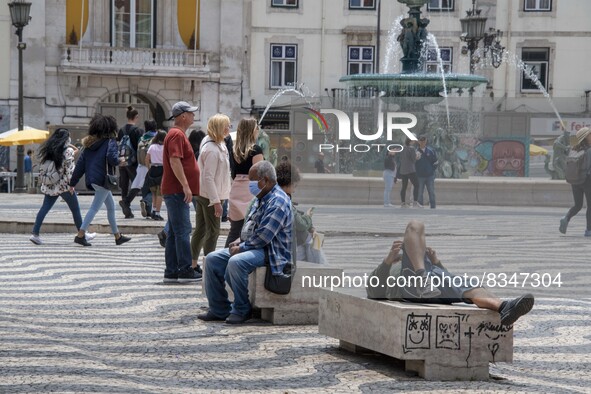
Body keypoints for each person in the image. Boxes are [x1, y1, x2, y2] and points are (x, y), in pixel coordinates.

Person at [367, 220, 535, 328]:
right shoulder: (395, 267)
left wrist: (436, 262)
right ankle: (421, 277)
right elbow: (372, 289)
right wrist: (388, 261)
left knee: (467, 287)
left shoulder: (427, 264)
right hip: (410, 288)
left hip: (432, 285)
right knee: (415, 225)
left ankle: (504, 307)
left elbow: (447, 286)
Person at [198, 161, 292, 324]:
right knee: (212, 259)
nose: (251, 185)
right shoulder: (261, 197)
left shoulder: (278, 201)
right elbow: (251, 226)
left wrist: (241, 247)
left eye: (253, 180)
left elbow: (264, 236)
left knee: (236, 262)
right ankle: (219, 309)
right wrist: (238, 241)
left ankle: (242, 309)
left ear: (266, 179)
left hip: (270, 251)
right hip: (254, 246)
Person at [69, 114, 131, 247]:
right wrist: (121, 161)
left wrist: (72, 183)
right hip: (103, 180)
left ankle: (117, 236)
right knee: (94, 208)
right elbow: (112, 158)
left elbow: (80, 166)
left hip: (94, 180)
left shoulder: (89, 146)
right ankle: (80, 235)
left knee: (111, 207)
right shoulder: (110, 142)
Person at [29, 128, 95, 245]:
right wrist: (71, 185)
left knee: (44, 208)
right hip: (64, 186)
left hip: (51, 185)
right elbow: (70, 171)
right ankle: (83, 234)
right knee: (75, 210)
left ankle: (35, 234)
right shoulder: (67, 151)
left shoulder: (50, 150)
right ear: (66, 139)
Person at [161, 101, 201, 283]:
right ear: (183, 116)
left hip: (174, 190)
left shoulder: (176, 134)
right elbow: (175, 160)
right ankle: (185, 269)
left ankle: (171, 270)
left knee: (174, 232)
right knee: (183, 231)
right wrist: (186, 185)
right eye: (191, 113)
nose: (193, 116)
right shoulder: (177, 135)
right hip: (177, 191)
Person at [191, 114, 232, 271]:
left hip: (204, 193)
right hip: (210, 196)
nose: (228, 129)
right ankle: (210, 267)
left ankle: (193, 264)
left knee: (201, 229)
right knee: (213, 231)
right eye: (226, 126)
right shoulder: (213, 149)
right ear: (218, 128)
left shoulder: (212, 142)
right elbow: (208, 177)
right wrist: (216, 202)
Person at [276, 161, 326, 264]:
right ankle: (324, 270)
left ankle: (323, 269)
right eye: (295, 186)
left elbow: (297, 216)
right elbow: (300, 224)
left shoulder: (275, 194)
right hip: (285, 250)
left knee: (313, 240)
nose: (294, 191)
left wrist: (311, 227)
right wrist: (308, 217)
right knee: (313, 242)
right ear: (290, 183)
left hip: (286, 245)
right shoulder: (282, 199)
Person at [225, 118, 263, 248]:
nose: (258, 130)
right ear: (252, 130)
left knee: (235, 230)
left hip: (236, 190)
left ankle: (223, 259)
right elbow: (259, 174)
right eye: (257, 127)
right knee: (251, 228)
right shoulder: (256, 150)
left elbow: (234, 173)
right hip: (249, 191)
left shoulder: (234, 150)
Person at [559, 127, 591, 236]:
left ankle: (566, 218)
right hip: (587, 180)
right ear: (586, 137)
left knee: (578, 205)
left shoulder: (574, 149)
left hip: (575, 180)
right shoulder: (589, 150)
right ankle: (589, 230)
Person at [117, 105, 144, 218]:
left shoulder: (121, 130)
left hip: (122, 161)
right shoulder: (138, 131)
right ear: (136, 117)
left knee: (124, 185)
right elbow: (140, 148)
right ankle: (126, 202)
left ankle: (126, 209)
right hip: (133, 162)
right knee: (137, 184)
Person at [134, 119, 157, 219]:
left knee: (145, 188)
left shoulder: (142, 137)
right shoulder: (157, 136)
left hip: (141, 166)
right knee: (154, 189)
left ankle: (148, 211)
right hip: (153, 165)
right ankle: (147, 202)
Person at [145, 130, 166, 221]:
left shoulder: (152, 146)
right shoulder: (165, 148)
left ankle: (153, 210)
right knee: (160, 193)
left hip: (153, 169)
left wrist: (149, 168)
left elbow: (147, 159)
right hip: (162, 169)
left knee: (153, 192)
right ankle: (157, 213)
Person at [416, 135, 438, 209]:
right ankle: (420, 206)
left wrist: (431, 170)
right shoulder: (416, 151)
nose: (422, 142)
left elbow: (435, 162)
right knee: (419, 192)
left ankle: (433, 206)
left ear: (426, 141)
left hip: (429, 175)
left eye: (424, 141)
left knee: (431, 192)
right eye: (421, 141)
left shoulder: (431, 151)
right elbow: (413, 163)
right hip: (419, 175)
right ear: (419, 142)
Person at [398, 137, 420, 208]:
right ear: (410, 142)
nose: (414, 142)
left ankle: (403, 203)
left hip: (403, 170)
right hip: (410, 170)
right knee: (416, 185)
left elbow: (400, 159)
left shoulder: (402, 148)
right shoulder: (412, 148)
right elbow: (414, 159)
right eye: (413, 141)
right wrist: (417, 156)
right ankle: (415, 202)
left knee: (404, 187)